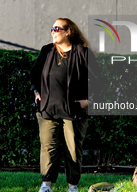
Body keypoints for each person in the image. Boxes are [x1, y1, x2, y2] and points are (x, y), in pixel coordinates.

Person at [31, 18, 99, 192]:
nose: (53, 31)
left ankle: (73, 186)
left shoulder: (83, 53)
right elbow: (34, 75)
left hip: (73, 111)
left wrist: (89, 100)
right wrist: (36, 92)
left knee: (73, 149)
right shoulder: (47, 51)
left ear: (68, 31)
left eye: (57, 28)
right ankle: (46, 185)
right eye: (52, 28)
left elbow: (101, 80)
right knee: (48, 147)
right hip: (47, 109)